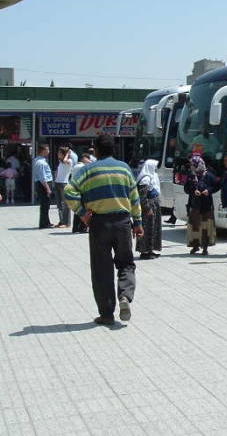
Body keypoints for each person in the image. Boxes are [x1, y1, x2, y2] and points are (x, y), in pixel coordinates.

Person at [65, 135, 143, 326]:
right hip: (123, 222)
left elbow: (69, 191)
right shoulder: (124, 168)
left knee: (102, 269)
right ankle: (125, 297)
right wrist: (138, 222)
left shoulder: (88, 170)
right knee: (126, 263)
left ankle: (107, 314)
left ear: (97, 151)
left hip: (99, 224)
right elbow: (134, 197)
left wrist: (83, 213)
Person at [184, 155, 219, 255]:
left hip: (206, 206)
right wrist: (193, 191)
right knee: (194, 227)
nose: (191, 167)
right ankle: (195, 246)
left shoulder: (209, 175)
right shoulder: (191, 176)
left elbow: (216, 186)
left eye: (193, 165)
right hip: (194, 206)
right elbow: (186, 188)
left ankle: (205, 248)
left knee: (205, 227)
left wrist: (208, 190)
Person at [135, 159, 162, 259]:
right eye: (154, 166)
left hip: (153, 205)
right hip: (148, 207)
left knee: (153, 228)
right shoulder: (145, 178)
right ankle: (145, 251)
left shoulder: (151, 176)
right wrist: (147, 208)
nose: (156, 168)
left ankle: (150, 250)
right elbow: (142, 195)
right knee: (147, 228)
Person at [33, 144, 53, 229]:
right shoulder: (40, 162)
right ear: (43, 151)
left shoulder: (39, 160)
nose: (48, 151)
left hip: (43, 184)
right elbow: (42, 177)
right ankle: (43, 223)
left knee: (46, 205)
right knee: (44, 205)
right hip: (43, 185)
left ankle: (47, 221)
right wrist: (48, 189)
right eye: (47, 150)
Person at [70, 154, 92, 233]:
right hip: (83, 189)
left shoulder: (75, 166)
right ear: (83, 159)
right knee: (84, 208)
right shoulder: (82, 166)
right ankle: (82, 227)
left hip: (75, 189)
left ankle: (75, 228)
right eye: (87, 158)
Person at [54, 146, 73, 228]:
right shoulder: (60, 162)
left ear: (64, 154)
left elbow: (66, 160)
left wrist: (67, 154)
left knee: (65, 204)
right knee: (59, 204)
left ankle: (67, 222)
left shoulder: (69, 161)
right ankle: (61, 221)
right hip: (58, 182)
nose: (58, 154)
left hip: (64, 183)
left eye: (60, 153)